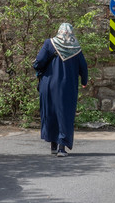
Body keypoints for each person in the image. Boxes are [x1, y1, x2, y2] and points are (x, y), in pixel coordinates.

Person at [33, 22, 89, 157]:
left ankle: (53, 146)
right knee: (65, 115)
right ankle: (61, 148)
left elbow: (39, 61)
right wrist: (84, 82)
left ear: (59, 31)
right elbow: (84, 67)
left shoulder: (49, 43)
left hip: (48, 85)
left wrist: (37, 68)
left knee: (50, 113)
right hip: (67, 87)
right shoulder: (76, 48)